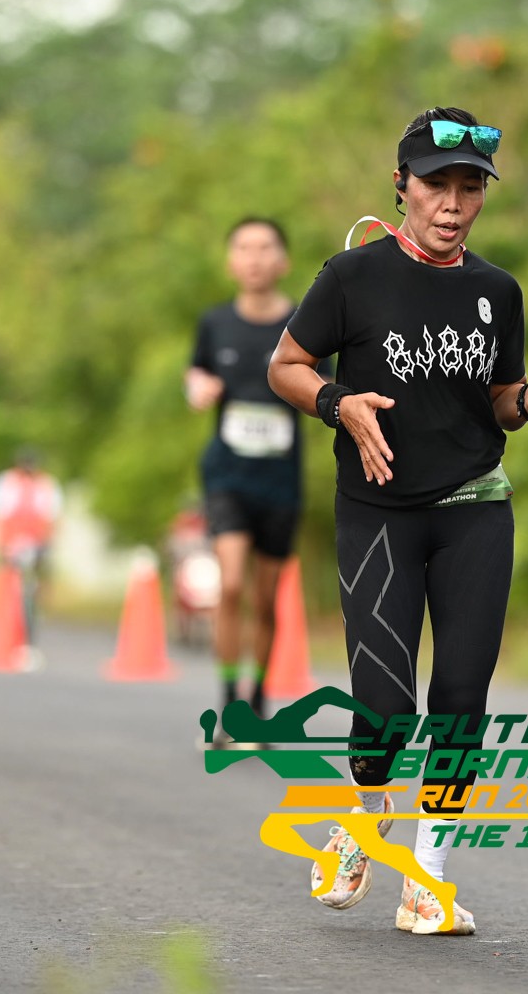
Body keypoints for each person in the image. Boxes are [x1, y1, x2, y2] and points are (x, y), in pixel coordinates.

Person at [269, 107, 528, 936]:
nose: (452, 204)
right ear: (401, 186)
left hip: (474, 506)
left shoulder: (498, 291)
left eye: (470, 188)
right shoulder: (351, 277)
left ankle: (427, 882)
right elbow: (286, 366)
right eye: (436, 185)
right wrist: (338, 403)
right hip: (377, 512)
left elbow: (497, 395)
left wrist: (527, 399)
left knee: (460, 695)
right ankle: (363, 815)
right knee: (386, 708)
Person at [186, 217, 315, 729]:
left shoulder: (305, 323)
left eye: (265, 248)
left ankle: (258, 694)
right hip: (227, 475)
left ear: (283, 261)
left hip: (280, 480)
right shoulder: (214, 322)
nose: (255, 258)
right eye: (244, 248)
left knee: (264, 599)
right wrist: (197, 388)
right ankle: (229, 701)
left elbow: (325, 387)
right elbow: (197, 370)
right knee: (232, 584)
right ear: (230, 261)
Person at [0, 447, 62, 666]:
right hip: (11, 546)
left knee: (32, 592)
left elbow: (52, 518)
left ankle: (28, 638)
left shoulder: (46, 485)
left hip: (36, 546)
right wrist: (0, 545)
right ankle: (6, 638)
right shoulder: (6, 482)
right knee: (9, 592)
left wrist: (47, 546)